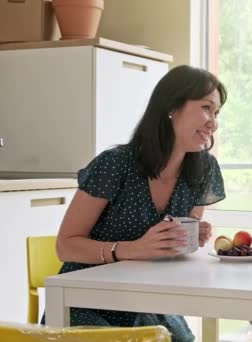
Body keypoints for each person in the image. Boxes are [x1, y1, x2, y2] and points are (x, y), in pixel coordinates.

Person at [43, 65, 227, 342]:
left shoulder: (203, 169)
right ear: (172, 107)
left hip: (147, 300)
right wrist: (132, 249)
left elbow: (175, 247)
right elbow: (65, 245)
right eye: (206, 108)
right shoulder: (115, 164)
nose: (213, 122)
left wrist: (190, 237)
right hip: (86, 301)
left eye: (217, 113)